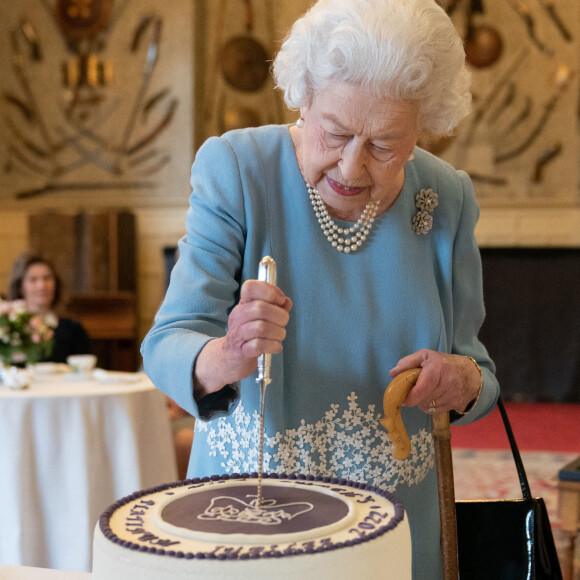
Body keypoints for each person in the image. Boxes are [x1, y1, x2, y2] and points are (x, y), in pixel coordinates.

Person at [141, 0, 500, 577]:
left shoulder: (446, 197)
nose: (353, 167)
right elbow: (166, 345)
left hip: (396, 527)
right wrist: (229, 353)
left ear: (420, 130)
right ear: (302, 99)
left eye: (385, 145)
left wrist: (461, 378)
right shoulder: (238, 169)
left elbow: (478, 372)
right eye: (335, 133)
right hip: (253, 519)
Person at [9, 252, 91, 363]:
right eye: (33, 279)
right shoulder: (9, 329)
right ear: (21, 287)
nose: (42, 285)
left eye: (47, 278)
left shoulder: (73, 329)